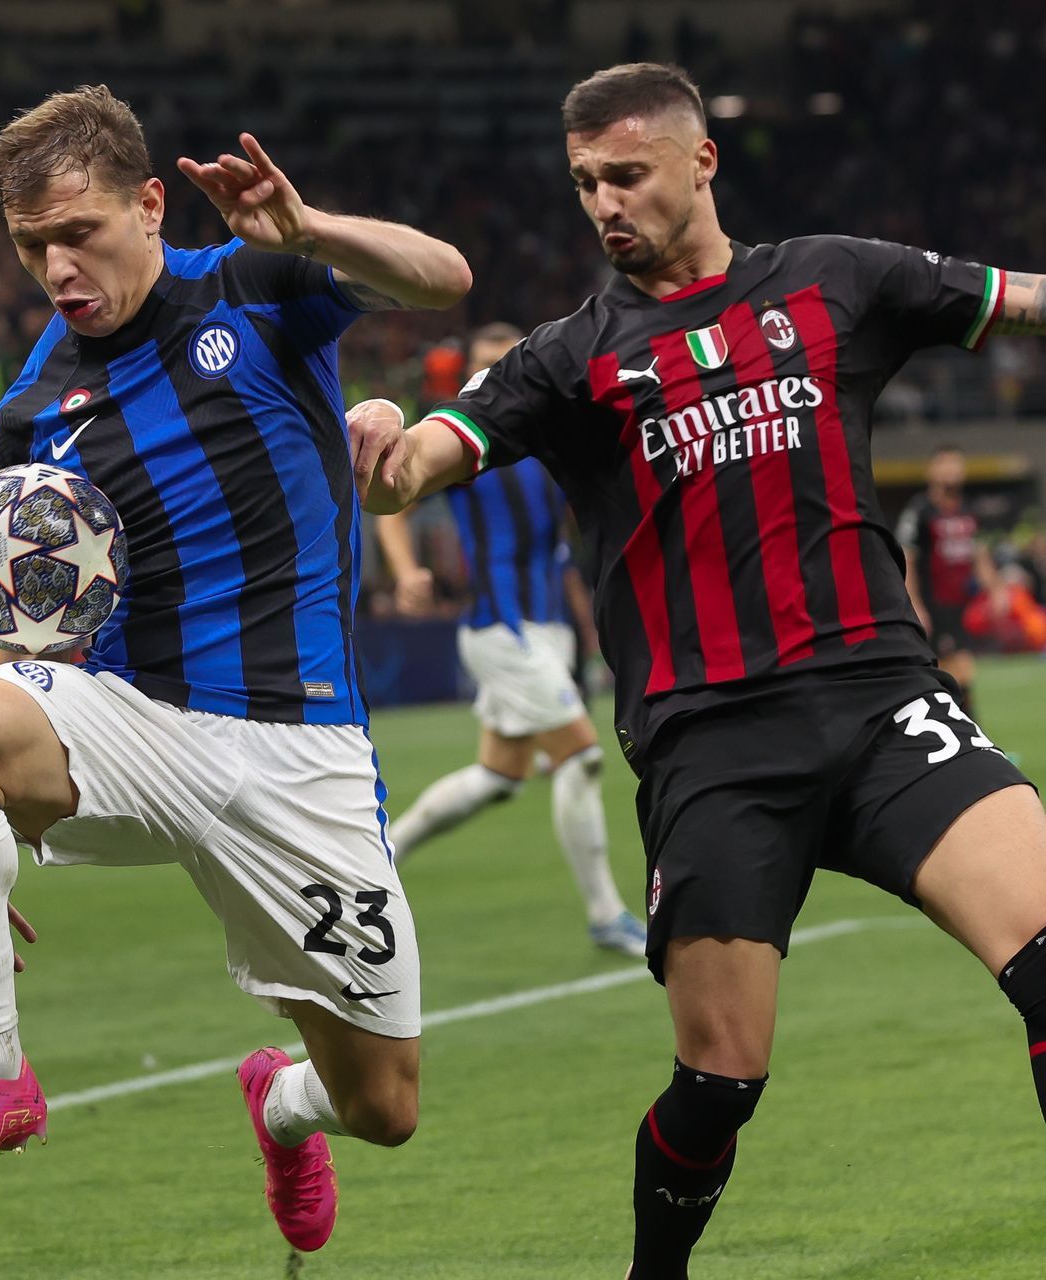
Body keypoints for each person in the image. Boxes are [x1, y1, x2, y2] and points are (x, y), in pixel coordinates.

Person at [349, 62, 1046, 1278]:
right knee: (720, 1081)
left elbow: (1023, 298)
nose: (604, 203)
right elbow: (422, 462)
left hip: (886, 704)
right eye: (583, 184)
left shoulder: (837, 279)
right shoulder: (569, 358)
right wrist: (375, 443)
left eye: (625, 174)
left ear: (700, 161)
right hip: (712, 744)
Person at [0, 85, 470, 1254]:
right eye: (31, 245)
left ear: (151, 205)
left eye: (80, 232)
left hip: (299, 750)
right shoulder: (32, 412)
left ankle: (278, 1101)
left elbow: (443, 278)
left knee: (382, 1106)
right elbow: (28, 630)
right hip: (136, 722)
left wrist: (312, 233)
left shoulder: (253, 287)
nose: (58, 267)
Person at [375, 324, 647, 957]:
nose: (498, 375)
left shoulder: (554, 432)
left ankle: (383, 850)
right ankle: (607, 914)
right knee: (580, 757)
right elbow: (393, 497)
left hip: (547, 624)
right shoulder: (460, 432)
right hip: (502, 629)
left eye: (508, 362)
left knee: (500, 776)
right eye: (484, 364)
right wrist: (407, 569)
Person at [897, 445, 1003, 718]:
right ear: (932, 471)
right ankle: (966, 739)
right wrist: (915, 605)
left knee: (960, 674)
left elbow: (980, 557)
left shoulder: (968, 510)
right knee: (950, 673)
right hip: (933, 606)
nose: (952, 471)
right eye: (945, 465)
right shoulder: (920, 511)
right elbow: (907, 560)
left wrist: (996, 591)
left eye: (957, 466)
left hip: (961, 606)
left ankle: (967, 740)